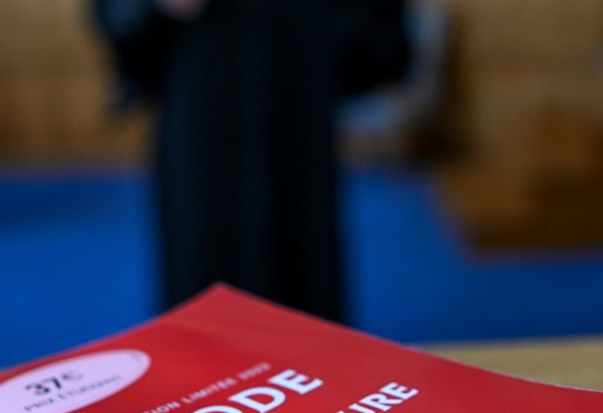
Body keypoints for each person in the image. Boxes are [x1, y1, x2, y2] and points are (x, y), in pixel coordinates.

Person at [94, 0, 409, 322]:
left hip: (296, 98)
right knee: (202, 273)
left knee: (302, 266)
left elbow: (375, 39)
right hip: (201, 102)